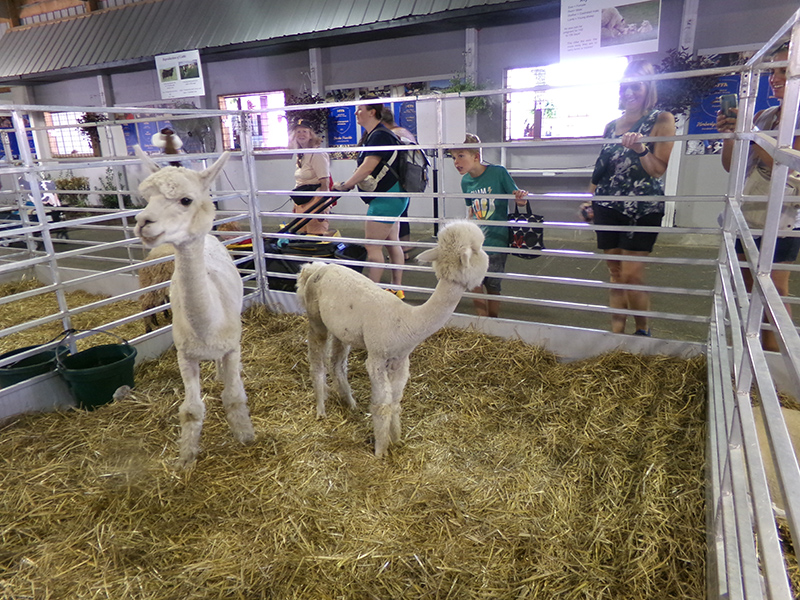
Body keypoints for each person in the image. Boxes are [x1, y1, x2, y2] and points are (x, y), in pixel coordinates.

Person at [716, 41, 800, 352]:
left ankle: (778, 371)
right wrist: (732, 135)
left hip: (783, 218)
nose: (776, 78)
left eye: (784, 71)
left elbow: (783, 164)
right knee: (750, 291)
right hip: (749, 212)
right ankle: (755, 358)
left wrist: (748, 128)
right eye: (772, 72)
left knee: (774, 291)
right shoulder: (765, 116)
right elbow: (732, 167)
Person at [585, 59, 675, 337]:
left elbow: (658, 170)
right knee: (615, 274)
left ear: (648, 88)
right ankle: (616, 336)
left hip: (643, 208)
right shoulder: (611, 126)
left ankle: (643, 331)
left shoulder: (662, 119)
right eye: (625, 87)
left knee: (632, 276)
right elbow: (601, 167)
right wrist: (589, 199)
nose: (629, 93)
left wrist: (640, 149)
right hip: (607, 206)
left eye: (635, 86)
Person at [333, 101, 408, 298]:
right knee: (393, 242)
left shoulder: (379, 135)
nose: (356, 113)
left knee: (372, 247)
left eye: (360, 110)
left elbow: (367, 166)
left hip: (385, 199)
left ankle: (369, 294)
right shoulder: (377, 134)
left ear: (372, 112)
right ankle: (396, 287)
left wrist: (346, 184)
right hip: (395, 195)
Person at [452, 133, 528, 318]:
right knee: (474, 283)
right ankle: (481, 323)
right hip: (476, 242)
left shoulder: (498, 172)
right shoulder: (466, 181)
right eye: (453, 157)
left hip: (496, 240)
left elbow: (518, 198)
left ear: (476, 156)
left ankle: (493, 322)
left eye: (461, 156)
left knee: (493, 284)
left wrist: (521, 199)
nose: (456, 162)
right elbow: (471, 210)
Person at [381, 108, 415, 260]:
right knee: (403, 213)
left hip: (397, 180)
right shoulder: (404, 131)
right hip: (409, 178)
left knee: (397, 215)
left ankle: (401, 250)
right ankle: (404, 247)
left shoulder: (393, 134)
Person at [289, 118, 331, 235]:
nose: (301, 134)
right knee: (303, 236)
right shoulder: (301, 154)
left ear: (311, 135)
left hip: (315, 199)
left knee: (316, 235)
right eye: (298, 132)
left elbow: (325, 182)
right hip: (302, 200)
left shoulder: (317, 154)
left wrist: (323, 206)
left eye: (304, 131)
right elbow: (300, 180)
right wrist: (296, 205)